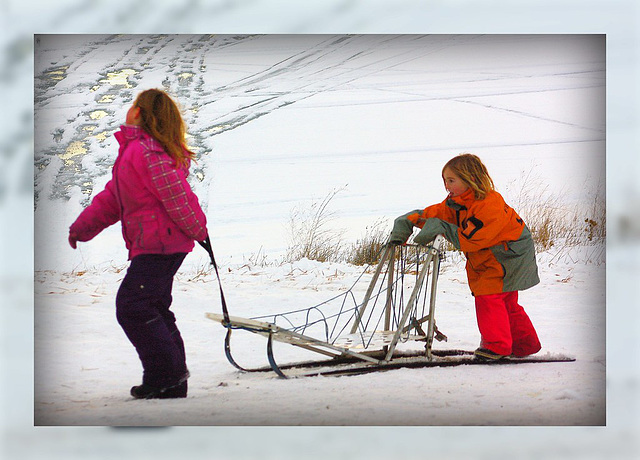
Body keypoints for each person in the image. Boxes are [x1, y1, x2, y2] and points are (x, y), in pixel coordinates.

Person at [68, 89, 208, 398]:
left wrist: (200, 231)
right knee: (153, 307)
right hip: (157, 244)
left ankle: (167, 377)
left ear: (141, 114)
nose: (129, 109)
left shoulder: (146, 151)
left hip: (161, 244)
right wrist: (82, 228)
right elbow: (113, 199)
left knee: (133, 307)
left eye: (134, 105)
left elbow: (178, 197)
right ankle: (170, 380)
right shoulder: (136, 150)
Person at [389, 153, 541, 360]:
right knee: (505, 300)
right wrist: (411, 220)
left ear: (470, 179)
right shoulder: (459, 202)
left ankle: (497, 347)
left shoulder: (489, 204)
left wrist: (440, 227)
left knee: (489, 297)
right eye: (444, 180)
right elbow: (439, 214)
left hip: (508, 256)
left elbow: (469, 239)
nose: (446, 185)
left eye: (451, 180)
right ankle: (525, 345)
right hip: (494, 256)